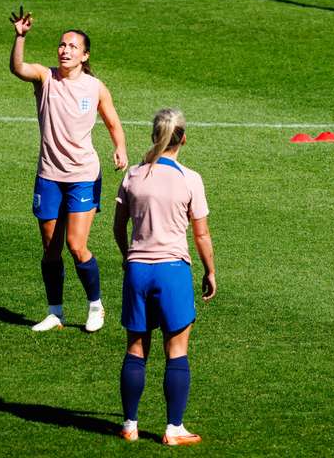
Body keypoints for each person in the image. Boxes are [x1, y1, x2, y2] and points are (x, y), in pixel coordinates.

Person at [9, 7, 128, 332]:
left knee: (76, 245)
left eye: (73, 46)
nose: (65, 50)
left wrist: (120, 147)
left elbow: (113, 121)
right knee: (51, 249)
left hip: (82, 177)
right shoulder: (45, 78)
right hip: (49, 175)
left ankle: (95, 306)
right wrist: (20, 37)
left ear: (84, 54)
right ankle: (55, 312)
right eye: (62, 45)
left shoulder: (95, 87)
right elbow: (17, 67)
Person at [112, 108, 216, 446]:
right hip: (173, 272)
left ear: (154, 136)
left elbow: (117, 226)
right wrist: (210, 270)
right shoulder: (190, 179)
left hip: (138, 271)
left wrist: (129, 257)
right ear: (182, 138)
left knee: (136, 349)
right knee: (177, 350)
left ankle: (129, 424)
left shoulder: (132, 177)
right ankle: (173, 429)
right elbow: (200, 235)